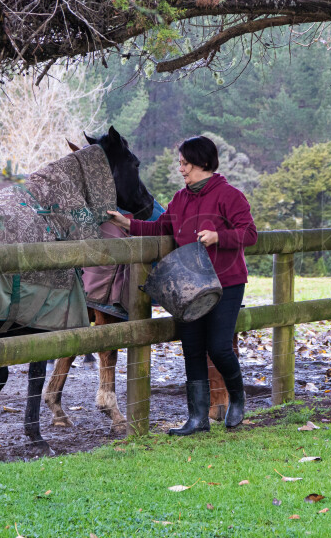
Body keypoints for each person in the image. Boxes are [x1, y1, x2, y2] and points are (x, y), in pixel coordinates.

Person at [107, 136, 257, 435]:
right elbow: (160, 227)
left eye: (185, 163)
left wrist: (218, 237)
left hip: (226, 283)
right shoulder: (180, 199)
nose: (181, 169)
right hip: (188, 285)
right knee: (192, 348)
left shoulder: (230, 196)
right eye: (180, 164)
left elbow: (249, 234)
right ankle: (197, 418)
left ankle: (238, 399)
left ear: (203, 162)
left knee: (219, 348)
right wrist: (126, 224)